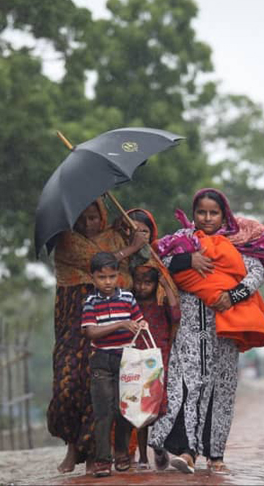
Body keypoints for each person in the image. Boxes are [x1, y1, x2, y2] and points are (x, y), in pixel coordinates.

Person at [148, 188, 264, 475]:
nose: (207, 218)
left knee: (221, 388)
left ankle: (215, 453)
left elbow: (257, 273)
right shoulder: (182, 241)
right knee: (188, 384)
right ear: (193, 214)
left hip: (226, 328)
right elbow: (159, 264)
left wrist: (232, 296)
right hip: (190, 328)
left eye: (214, 213)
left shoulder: (238, 242)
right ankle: (186, 451)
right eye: (201, 212)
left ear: (224, 215)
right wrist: (189, 260)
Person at [48, 199, 147, 473]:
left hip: (111, 331)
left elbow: (132, 274)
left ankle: (94, 455)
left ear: (102, 216)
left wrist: (137, 240)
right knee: (68, 385)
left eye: (93, 217)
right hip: (73, 324)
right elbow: (96, 261)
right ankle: (72, 446)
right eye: (81, 218)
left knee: (100, 394)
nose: (88, 224)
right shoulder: (66, 240)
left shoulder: (115, 236)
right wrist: (131, 248)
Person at [81, 252, 148, 478]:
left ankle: (121, 452)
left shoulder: (128, 298)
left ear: (118, 275)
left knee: (123, 410)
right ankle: (102, 460)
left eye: (111, 276)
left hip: (126, 360)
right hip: (101, 360)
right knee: (103, 412)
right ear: (92, 277)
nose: (107, 282)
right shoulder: (90, 302)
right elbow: (91, 332)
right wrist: (120, 324)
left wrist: (141, 325)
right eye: (102, 277)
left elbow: (138, 320)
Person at [130, 265, 180, 470]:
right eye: (138, 282)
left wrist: (166, 286)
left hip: (159, 357)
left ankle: (159, 445)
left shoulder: (161, 303)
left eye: (147, 283)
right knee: (140, 407)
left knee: (159, 404)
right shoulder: (130, 303)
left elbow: (175, 316)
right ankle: (143, 457)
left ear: (155, 284)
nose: (142, 287)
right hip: (136, 359)